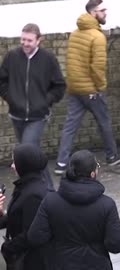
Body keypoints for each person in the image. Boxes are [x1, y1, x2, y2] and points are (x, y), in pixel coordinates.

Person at [54, 0, 120, 175]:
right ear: (93, 13)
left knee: (70, 126)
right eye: (102, 10)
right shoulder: (97, 36)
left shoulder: (74, 34)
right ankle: (112, 155)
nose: (106, 13)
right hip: (91, 90)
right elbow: (97, 67)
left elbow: (71, 63)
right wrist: (100, 87)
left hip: (75, 89)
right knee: (104, 121)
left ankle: (61, 163)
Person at [28, 150, 120, 270]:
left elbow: (35, 237)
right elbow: (117, 244)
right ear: (92, 174)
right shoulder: (106, 205)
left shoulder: (50, 201)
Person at [0, 23, 65, 190]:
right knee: (28, 155)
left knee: (29, 152)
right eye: (22, 39)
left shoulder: (48, 59)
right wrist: (10, 98)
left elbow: (59, 86)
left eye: (29, 40)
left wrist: (44, 101)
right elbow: (2, 81)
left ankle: (48, 190)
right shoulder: (12, 56)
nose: (25, 43)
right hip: (16, 115)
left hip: (38, 116)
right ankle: (35, 189)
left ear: (38, 41)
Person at [0, 144, 50, 270]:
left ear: (24, 165)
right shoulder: (26, 185)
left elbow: (31, 234)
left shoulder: (34, 195)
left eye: (14, 162)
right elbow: (16, 214)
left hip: (29, 262)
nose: (11, 166)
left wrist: (8, 247)